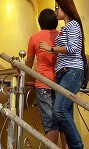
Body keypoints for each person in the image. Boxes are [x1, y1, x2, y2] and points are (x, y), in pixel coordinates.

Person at [39, 0, 85, 149]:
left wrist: (50, 49)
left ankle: (77, 146)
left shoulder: (73, 25)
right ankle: (74, 146)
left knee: (59, 110)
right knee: (66, 112)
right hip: (64, 72)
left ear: (65, 8)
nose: (55, 11)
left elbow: (72, 48)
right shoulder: (66, 27)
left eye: (57, 7)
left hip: (71, 71)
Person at [26, 9, 66, 148]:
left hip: (43, 83)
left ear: (40, 22)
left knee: (51, 124)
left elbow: (29, 63)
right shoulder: (62, 36)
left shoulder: (35, 37)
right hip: (62, 83)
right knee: (65, 122)